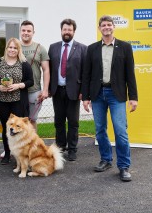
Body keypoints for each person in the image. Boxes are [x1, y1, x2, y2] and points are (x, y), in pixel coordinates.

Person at [82, 15, 138, 182]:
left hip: (117, 95)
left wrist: (133, 97)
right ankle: (106, 159)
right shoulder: (91, 49)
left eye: (109, 25)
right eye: (103, 25)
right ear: (99, 28)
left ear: (114, 27)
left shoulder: (125, 47)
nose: (106, 27)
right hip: (97, 94)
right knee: (100, 130)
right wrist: (85, 97)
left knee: (120, 131)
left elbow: (130, 74)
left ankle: (124, 166)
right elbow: (86, 75)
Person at [0, 38, 34, 164]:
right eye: (10, 47)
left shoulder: (24, 64)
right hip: (2, 101)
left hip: (18, 102)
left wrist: (18, 85)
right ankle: (7, 154)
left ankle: (19, 155)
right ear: (6, 48)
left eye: (15, 48)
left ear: (18, 50)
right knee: (7, 129)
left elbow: (31, 81)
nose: (12, 50)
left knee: (19, 129)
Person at [48, 19, 87, 161]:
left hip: (74, 91)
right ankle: (60, 148)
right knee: (58, 121)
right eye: (64, 29)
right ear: (61, 30)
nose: (67, 32)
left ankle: (72, 149)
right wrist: (47, 89)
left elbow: (85, 72)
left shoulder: (82, 48)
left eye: (69, 30)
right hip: (57, 90)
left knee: (73, 122)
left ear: (74, 31)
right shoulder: (53, 47)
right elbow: (49, 70)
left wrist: (84, 91)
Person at [20, 20, 50, 132]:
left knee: (32, 120)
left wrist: (45, 90)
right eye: (23, 30)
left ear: (33, 32)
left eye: (29, 31)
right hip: (17, 91)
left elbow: (46, 70)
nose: (26, 33)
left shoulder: (40, 48)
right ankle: (16, 149)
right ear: (20, 31)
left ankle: (32, 147)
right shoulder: (14, 47)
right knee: (17, 121)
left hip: (34, 91)